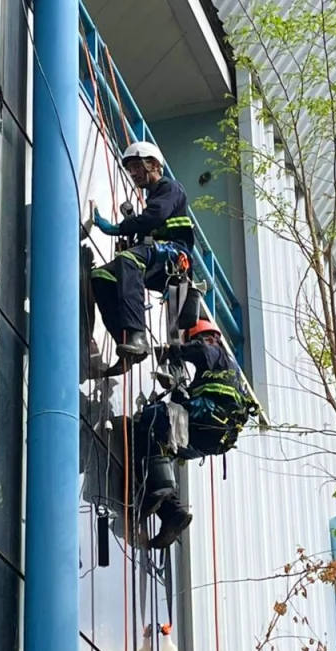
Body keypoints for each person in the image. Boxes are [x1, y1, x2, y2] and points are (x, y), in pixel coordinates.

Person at [136, 319, 254, 549]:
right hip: (209, 438)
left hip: (207, 420)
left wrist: (172, 351)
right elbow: (188, 402)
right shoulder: (221, 373)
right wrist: (177, 388)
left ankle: (158, 490)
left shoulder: (216, 353)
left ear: (210, 338)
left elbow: (201, 350)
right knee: (159, 447)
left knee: (148, 418)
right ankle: (172, 512)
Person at [91, 141, 194, 371]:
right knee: (101, 276)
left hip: (173, 255)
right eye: (130, 169)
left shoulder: (171, 189)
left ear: (154, 164)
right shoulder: (154, 197)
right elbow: (148, 228)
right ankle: (127, 342)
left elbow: (152, 218)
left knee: (128, 259)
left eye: (137, 166)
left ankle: (138, 337)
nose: (133, 173)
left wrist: (116, 228)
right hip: (156, 256)